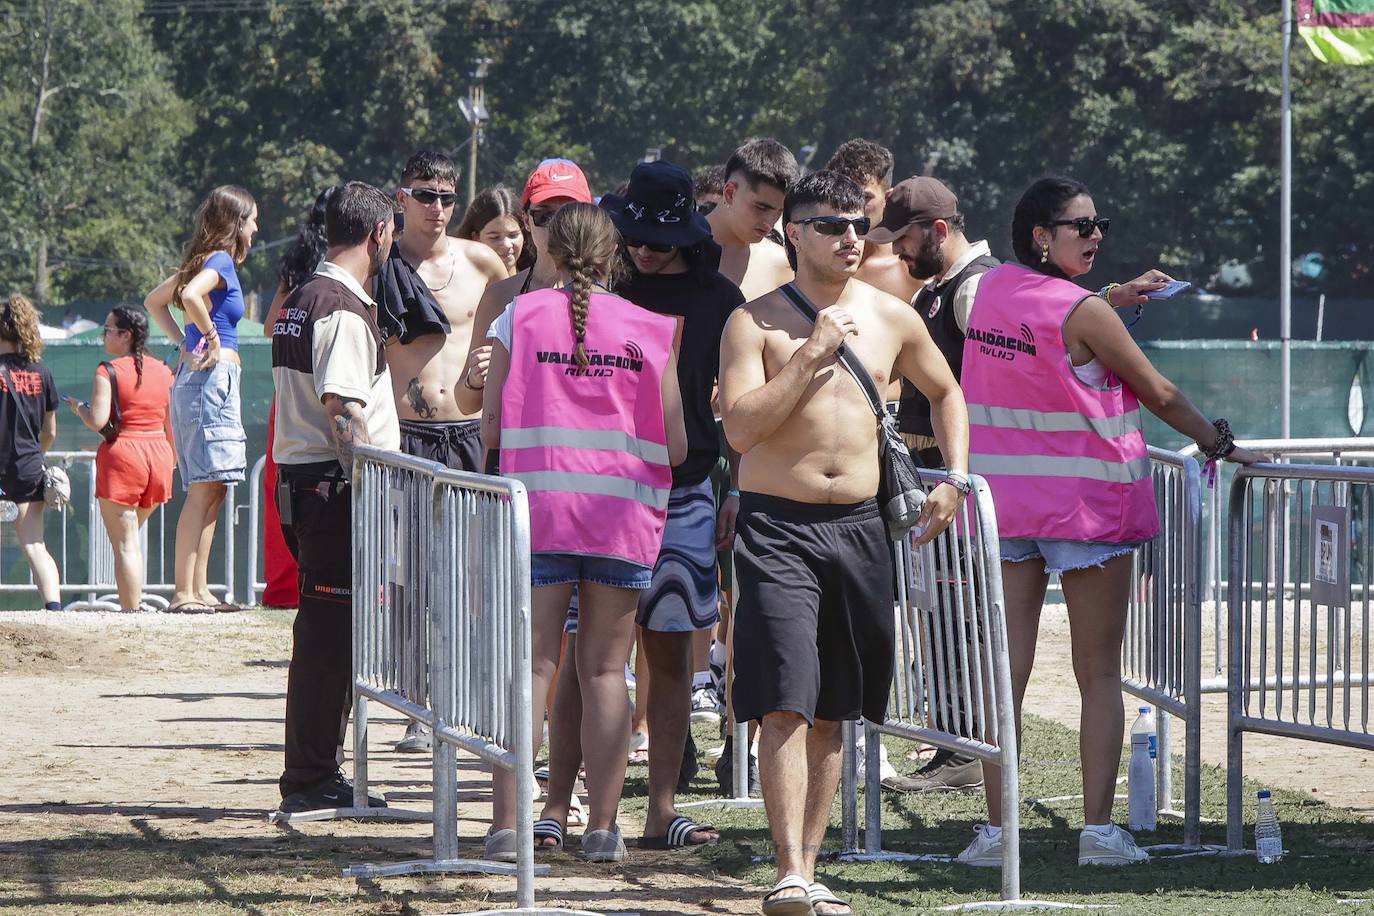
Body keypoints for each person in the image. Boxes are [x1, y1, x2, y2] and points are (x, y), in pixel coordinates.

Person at [954, 176, 1261, 868]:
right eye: (1082, 226)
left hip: (1008, 508)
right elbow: (1158, 392)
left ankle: (998, 834)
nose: (1096, 236)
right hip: (1087, 510)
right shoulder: (1088, 314)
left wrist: (1110, 298)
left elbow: (1045, 329)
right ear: (1042, 235)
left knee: (1009, 673)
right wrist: (1222, 445)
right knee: (1099, 673)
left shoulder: (988, 293)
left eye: (1101, 225)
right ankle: (1097, 834)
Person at [718, 172, 969, 915]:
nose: (850, 237)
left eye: (859, 224)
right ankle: (788, 868)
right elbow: (738, 429)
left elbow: (947, 391)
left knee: (834, 707)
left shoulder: (894, 316)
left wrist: (953, 476)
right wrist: (810, 354)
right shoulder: (753, 323)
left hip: (860, 529)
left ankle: (812, 867)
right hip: (776, 529)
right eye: (830, 225)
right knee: (785, 701)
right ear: (792, 233)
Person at [481, 202, 688, 863]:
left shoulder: (519, 316)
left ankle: (511, 824)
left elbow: (490, 430)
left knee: (532, 666)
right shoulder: (652, 328)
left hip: (537, 515)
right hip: (620, 519)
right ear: (613, 256)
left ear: (548, 249)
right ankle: (603, 827)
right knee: (605, 671)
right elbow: (677, 444)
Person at [596, 161, 744, 849]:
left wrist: (734, 488)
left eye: (660, 238)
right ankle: (567, 811)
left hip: (686, 491)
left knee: (675, 657)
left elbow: (738, 404)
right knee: (587, 658)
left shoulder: (720, 300)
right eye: (637, 236)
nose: (645, 249)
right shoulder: (600, 288)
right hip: (599, 490)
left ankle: (660, 811)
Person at [270, 181, 401, 813]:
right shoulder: (343, 308)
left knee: (326, 636)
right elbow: (343, 412)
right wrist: (367, 488)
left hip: (305, 483)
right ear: (380, 234)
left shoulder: (301, 298)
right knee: (328, 641)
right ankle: (312, 780)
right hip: (331, 488)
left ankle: (316, 773)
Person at [382, 151, 508, 752]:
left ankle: (471, 692)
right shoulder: (379, 263)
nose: (436, 207)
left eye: (447, 197)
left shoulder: (480, 260)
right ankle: (413, 699)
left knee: (478, 575)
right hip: (405, 436)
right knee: (410, 575)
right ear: (400, 196)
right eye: (425, 194)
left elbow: (525, 317)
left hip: (468, 430)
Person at [146, 185, 256, 614]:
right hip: (210, 381)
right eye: (252, 219)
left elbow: (154, 302)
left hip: (206, 380)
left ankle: (200, 589)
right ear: (236, 222)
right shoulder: (221, 260)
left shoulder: (203, 261)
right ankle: (183, 592)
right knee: (203, 488)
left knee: (215, 487)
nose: (257, 228)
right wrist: (206, 338)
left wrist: (183, 344)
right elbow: (187, 298)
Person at [260, 186, 339, 610]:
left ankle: (285, 586)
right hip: (336, 387)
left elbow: (271, 325)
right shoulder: (356, 265)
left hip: (290, 390)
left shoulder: (297, 264)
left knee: (283, 485)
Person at [68, 307, 175, 613]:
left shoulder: (107, 370)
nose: (104, 335)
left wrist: (80, 409)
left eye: (108, 329)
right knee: (131, 539)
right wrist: (173, 460)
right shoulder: (164, 371)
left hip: (124, 459)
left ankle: (132, 612)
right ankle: (134, 606)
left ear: (125, 335)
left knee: (126, 544)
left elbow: (100, 420)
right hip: (158, 457)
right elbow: (171, 423)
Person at [0, 293, 61, 610]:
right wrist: (36, 456)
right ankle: (54, 608)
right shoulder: (43, 373)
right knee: (35, 544)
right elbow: (50, 431)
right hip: (28, 469)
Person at [824, 139, 923, 305]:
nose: (853, 208)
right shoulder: (814, 260)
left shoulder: (910, 268)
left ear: (888, 198)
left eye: (864, 197)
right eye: (843, 197)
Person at [706, 139, 799, 301]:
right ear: (730, 193)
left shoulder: (780, 265)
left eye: (780, 212)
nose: (769, 223)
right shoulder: (672, 248)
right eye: (761, 207)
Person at [456, 185, 534, 278]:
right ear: (476, 238)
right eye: (494, 237)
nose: (506, 244)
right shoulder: (463, 286)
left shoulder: (538, 285)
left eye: (513, 235)